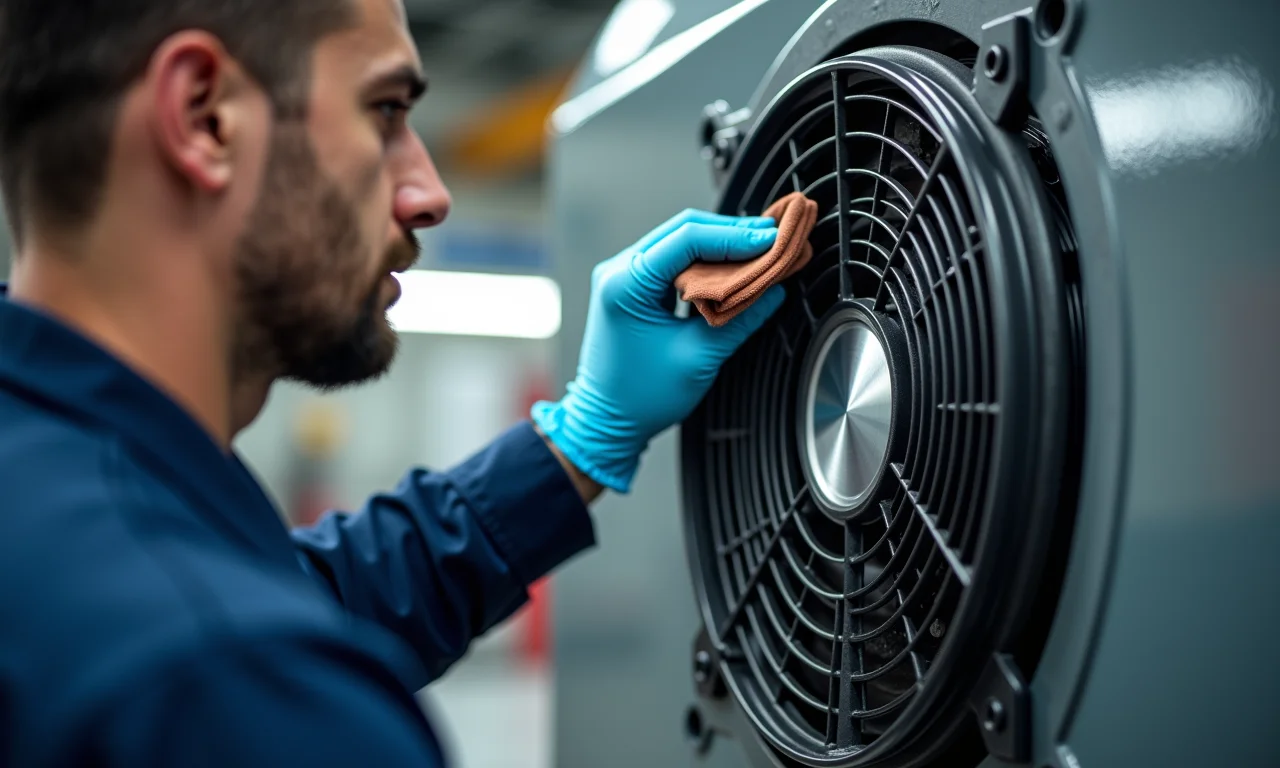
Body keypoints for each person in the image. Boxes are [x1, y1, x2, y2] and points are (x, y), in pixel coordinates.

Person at [0, 0, 787, 765]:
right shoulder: (228, 691)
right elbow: (251, 647)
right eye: (383, 111)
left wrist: (585, 433)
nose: (430, 193)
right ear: (205, 117)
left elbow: (315, 592)